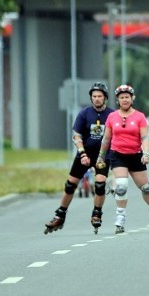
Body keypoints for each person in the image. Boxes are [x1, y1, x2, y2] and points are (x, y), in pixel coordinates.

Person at [96, 84, 149, 234]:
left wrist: (146, 153)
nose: (124, 100)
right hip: (118, 155)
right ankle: (120, 218)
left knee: (146, 188)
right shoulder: (112, 117)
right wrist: (101, 156)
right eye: (121, 98)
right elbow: (106, 139)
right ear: (118, 100)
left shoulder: (139, 116)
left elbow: (145, 137)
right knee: (121, 186)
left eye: (127, 97)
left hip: (136, 155)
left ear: (132, 99)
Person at [44, 82, 115, 235]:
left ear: (105, 98)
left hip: (103, 155)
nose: (97, 99)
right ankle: (60, 215)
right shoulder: (84, 113)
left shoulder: (112, 114)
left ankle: (97, 213)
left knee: (100, 185)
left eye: (100, 96)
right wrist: (82, 154)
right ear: (91, 98)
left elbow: (117, 137)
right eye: (94, 96)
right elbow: (76, 136)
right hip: (85, 153)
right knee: (70, 185)